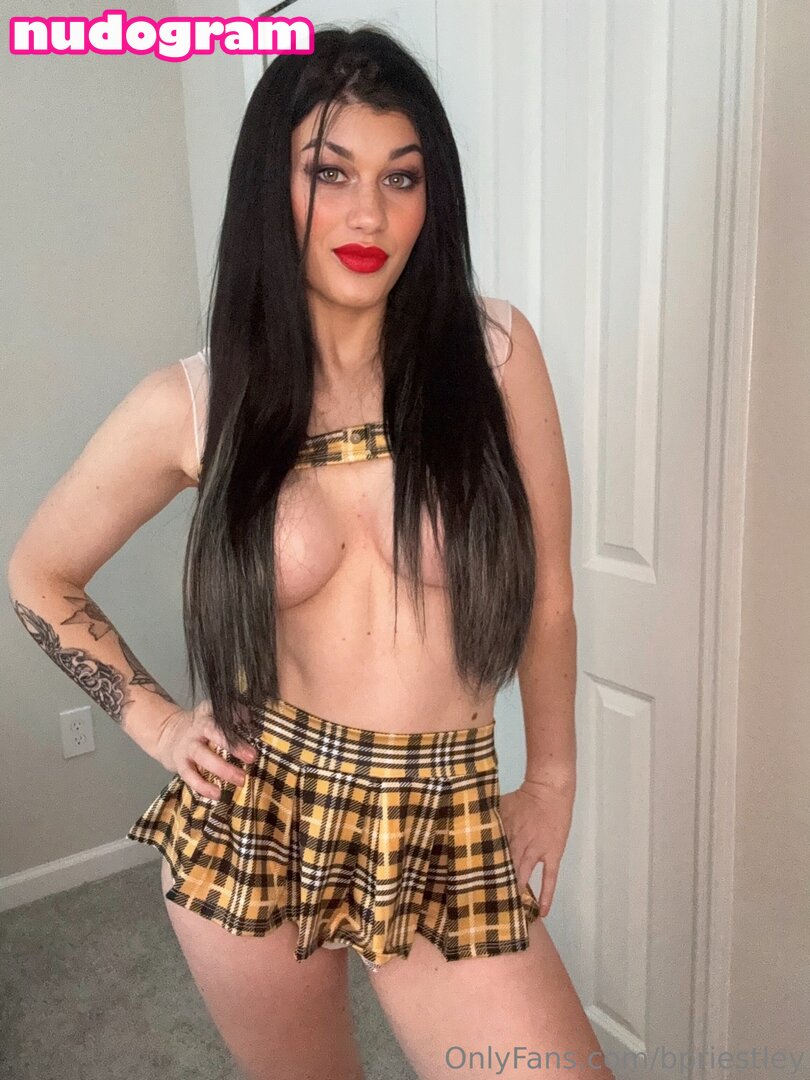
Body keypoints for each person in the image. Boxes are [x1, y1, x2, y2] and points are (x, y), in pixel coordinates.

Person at [7, 24, 616, 1080]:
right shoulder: (197, 402)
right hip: (259, 812)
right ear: (270, 188)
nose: (369, 214)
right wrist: (158, 723)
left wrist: (553, 776)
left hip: (441, 817)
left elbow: (551, 595)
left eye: (401, 177)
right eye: (330, 173)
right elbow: (37, 574)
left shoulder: (495, 356)